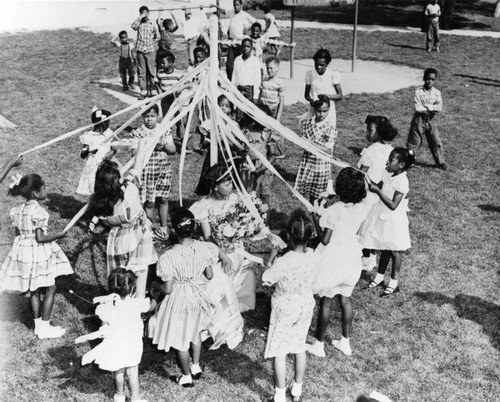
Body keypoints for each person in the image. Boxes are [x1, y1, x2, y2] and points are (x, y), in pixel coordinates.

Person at [152, 208, 228, 387]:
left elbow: (168, 289)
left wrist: (154, 286)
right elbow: (209, 275)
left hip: (179, 300)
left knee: (181, 340)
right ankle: (196, 366)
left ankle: (186, 376)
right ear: (193, 227)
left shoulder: (168, 256)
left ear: (173, 230)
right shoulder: (203, 248)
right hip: (197, 297)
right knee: (195, 332)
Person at [0, 174, 73, 339]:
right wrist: (58, 236)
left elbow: (18, 234)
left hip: (23, 252)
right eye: (44, 188)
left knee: (34, 289)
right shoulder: (39, 211)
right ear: (35, 193)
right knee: (50, 288)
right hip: (38, 253)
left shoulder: (17, 210)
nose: (46, 190)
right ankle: (45, 327)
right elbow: (40, 238)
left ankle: (38, 325)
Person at [307, 167, 369, 358]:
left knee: (326, 301)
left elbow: (325, 240)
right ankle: (345, 341)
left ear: (339, 188)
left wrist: (316, 218)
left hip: (333, 259)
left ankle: (318, 345)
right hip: (351, 258)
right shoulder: (362, 207)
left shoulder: (332, 211)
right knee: (345, 300)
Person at [89, 140, 157, 297]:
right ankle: (137, 306)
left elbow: (104, 219)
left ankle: (118, 304)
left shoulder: (100, 203)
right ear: (116, 181)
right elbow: (138, 165)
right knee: (139, 273)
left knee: (120, 278)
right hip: (138, 236)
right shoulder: (129, 192)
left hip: (117, 240)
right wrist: (142, 142)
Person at [262, 210, 317, 402]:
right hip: (305, 306)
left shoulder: (283, 261)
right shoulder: (314, 257)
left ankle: (279, 395)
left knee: (280, 350)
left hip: (285, 308)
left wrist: (272, 256)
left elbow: (267, 279)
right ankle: (297, 390)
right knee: (299, 346)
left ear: (289, 235)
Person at [77, 268, 152, 402]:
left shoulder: (105, 307)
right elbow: (149, 307)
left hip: (116, 343)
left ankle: (119, 395)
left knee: (119, 371)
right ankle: (135, 398)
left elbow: (103, 327)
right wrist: (156, 298)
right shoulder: (136, 304)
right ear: (132, 288)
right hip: (132, 343)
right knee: (132, 372)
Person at [190, 164, 254, 314]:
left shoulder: (234, 199)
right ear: (216, 186)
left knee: (235, 261)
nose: (231, 186)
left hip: (236, 247)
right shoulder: (204, 206)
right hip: (216, 250)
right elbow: (208, 237)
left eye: (231, 182)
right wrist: (224, 257)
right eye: (227, 184)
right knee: (219, 276)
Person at [360, 147, 414, 296]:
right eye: (389, 158)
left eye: (392, 159)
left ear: (401, 165)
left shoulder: (402, 181)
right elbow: (379, 186)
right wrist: (366, 180)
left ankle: (394, 282)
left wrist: (377, 191)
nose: (388, 161)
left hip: (394, 219)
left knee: (395, 251)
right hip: (383, 215)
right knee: (384, 247)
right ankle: (379, 276)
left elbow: (393, 205)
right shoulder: (387, 173)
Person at [130, 105, 177, 239]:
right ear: (142, 117)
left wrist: (163, 145)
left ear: (157, 116)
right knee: (149, 201)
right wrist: (147, 143)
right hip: (147, 169)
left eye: (152, 116)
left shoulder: (163, 129)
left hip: (163, 168)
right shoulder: (138, 132)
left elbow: (173, 150)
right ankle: (148, 228)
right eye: (146, 116)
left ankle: (163, 227)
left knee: (163, 198)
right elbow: (133, 152)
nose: (149, 120)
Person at [357, 115, 398, 270]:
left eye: (370, 130)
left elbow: (361, 173)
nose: (367, 133)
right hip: (383, 194)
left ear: (379, 132)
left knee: (365, 224)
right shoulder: (391, 150)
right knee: (373, 224)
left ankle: (365, 259)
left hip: (369, 192)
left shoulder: (370, 151)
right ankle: (371, 256)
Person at [294, 95, 337, 203]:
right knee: (306, 191)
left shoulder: (330, 127)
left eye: (325, 111)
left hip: (320, 164)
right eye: (319, 111)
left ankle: (316, 213)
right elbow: (302, 141)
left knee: (317, 196)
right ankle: (309, 212)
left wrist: (310, 143)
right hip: (308, 161)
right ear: (314, 109)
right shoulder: (307, 123)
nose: (322, 114)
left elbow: (327, 150)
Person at [406, 67, 446, 170]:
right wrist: (431, 108)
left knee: (436, 141)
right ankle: (410, 161)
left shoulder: (437, 93)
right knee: (414, 142)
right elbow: (418, 108)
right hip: (419, 119)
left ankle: (440, 162)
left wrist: (429, 108)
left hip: (431, 120)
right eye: (428, 78)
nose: (430, 81)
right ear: (424, 78)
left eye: (432, 79)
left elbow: (439, 107)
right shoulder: (418, 91)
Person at [76, 107, 116, 196]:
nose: (109, 124)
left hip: (107, 166)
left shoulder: (108, 133)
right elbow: (83, 155)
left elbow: (114, 148)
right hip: (94, 167)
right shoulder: (89, 136)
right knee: (94, 189)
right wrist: (89, 150)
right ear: (103, 123)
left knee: (107, 188)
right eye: (108, 122)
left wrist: (112, 152)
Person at [304, 48, 343, 128]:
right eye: (316, 64)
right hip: (314, 108)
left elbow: (340, 96)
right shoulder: (310, 74)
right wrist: (312, 101)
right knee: (312, 131)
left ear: (327, 64)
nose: (318, 67)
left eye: (322, 65)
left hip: (327, 109)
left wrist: (325, 96)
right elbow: (306, 95)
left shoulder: (332, 75)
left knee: (327, 131)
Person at [221, 0, 256, 80]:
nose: (235, 7)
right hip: (232, 42)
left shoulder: (245, 15)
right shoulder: (231, 12)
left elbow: (255, 22)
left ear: (241, 5)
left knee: (240, 64)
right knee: (229, 65)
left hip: (241, 43)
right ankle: (230, 82)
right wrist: (216, 7)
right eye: (234, 5)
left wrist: (247, 29)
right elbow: (223, 11)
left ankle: (240, 82)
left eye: (237, 5)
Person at [131, 5, 160, 99]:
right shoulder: (139, 23)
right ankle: (143, 91)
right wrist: (140, 17)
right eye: (142, 13)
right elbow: (133, 26)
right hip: (140, 50)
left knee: (151, 71)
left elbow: (158, 36)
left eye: (146, 13)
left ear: (149, 13)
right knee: (141, 72)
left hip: (150, 51)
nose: (144, 15)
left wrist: (153, 43)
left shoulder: (152, 24)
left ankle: (152, 90)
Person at [232, 37, 261, 126]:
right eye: (244, 46)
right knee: (239, 113)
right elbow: (234, 77)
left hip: (250, 91)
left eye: (248, 46)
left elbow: (257, 79)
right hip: (239, 90)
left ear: (251, 48)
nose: (245, 48)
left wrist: (255, 96)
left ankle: (248, 134)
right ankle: (239, 133)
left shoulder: (255, 61)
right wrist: (233, 92)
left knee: (249, 114)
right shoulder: (237, 59)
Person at [156, 50, 183, 117]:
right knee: (166, 116)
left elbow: (184, 84)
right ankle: (167, 127)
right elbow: (156, 82)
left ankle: (179, 127)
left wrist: (179, 91)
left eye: (163, 63)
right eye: (161, 63)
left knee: (177, 115)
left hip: (175, 99)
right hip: (164, 98)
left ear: (171, 63)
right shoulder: (160, 73)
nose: (161, 65)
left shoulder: (178, 74)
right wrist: (160, 92)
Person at [258, 57, 285, 122]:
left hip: (273, 109)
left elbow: (281, 100)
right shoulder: (264, 80)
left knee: (274, 127)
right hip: (263, 108)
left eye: (271, 68)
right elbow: (261, 92)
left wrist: (278, 116)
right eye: (267, 68)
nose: (269, 70)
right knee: (263, 125)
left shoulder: (279, 83)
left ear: (277, 69)